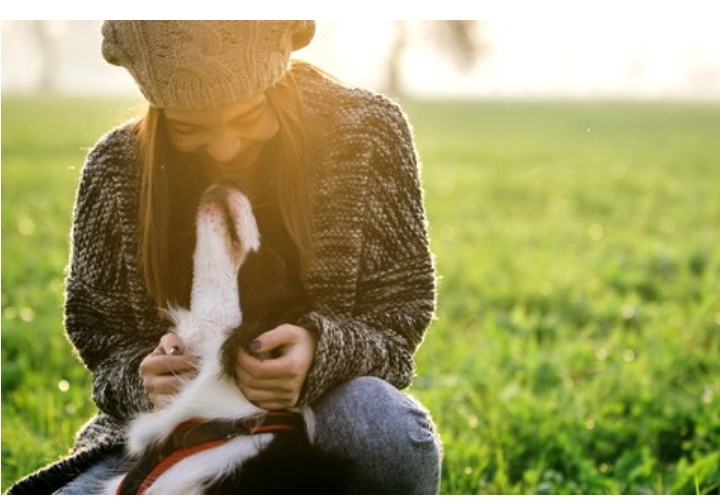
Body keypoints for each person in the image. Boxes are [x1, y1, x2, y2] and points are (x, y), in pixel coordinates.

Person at [8, 20, 441, 494]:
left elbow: (400, 311)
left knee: (381, 427)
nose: (224, 146)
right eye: (189, 127)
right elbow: (100, 335)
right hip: (178, 431)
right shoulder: (116, 169)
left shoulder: (366, 133)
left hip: (323, 415)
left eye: (247, 116)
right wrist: (143, 380)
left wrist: (320, 354)